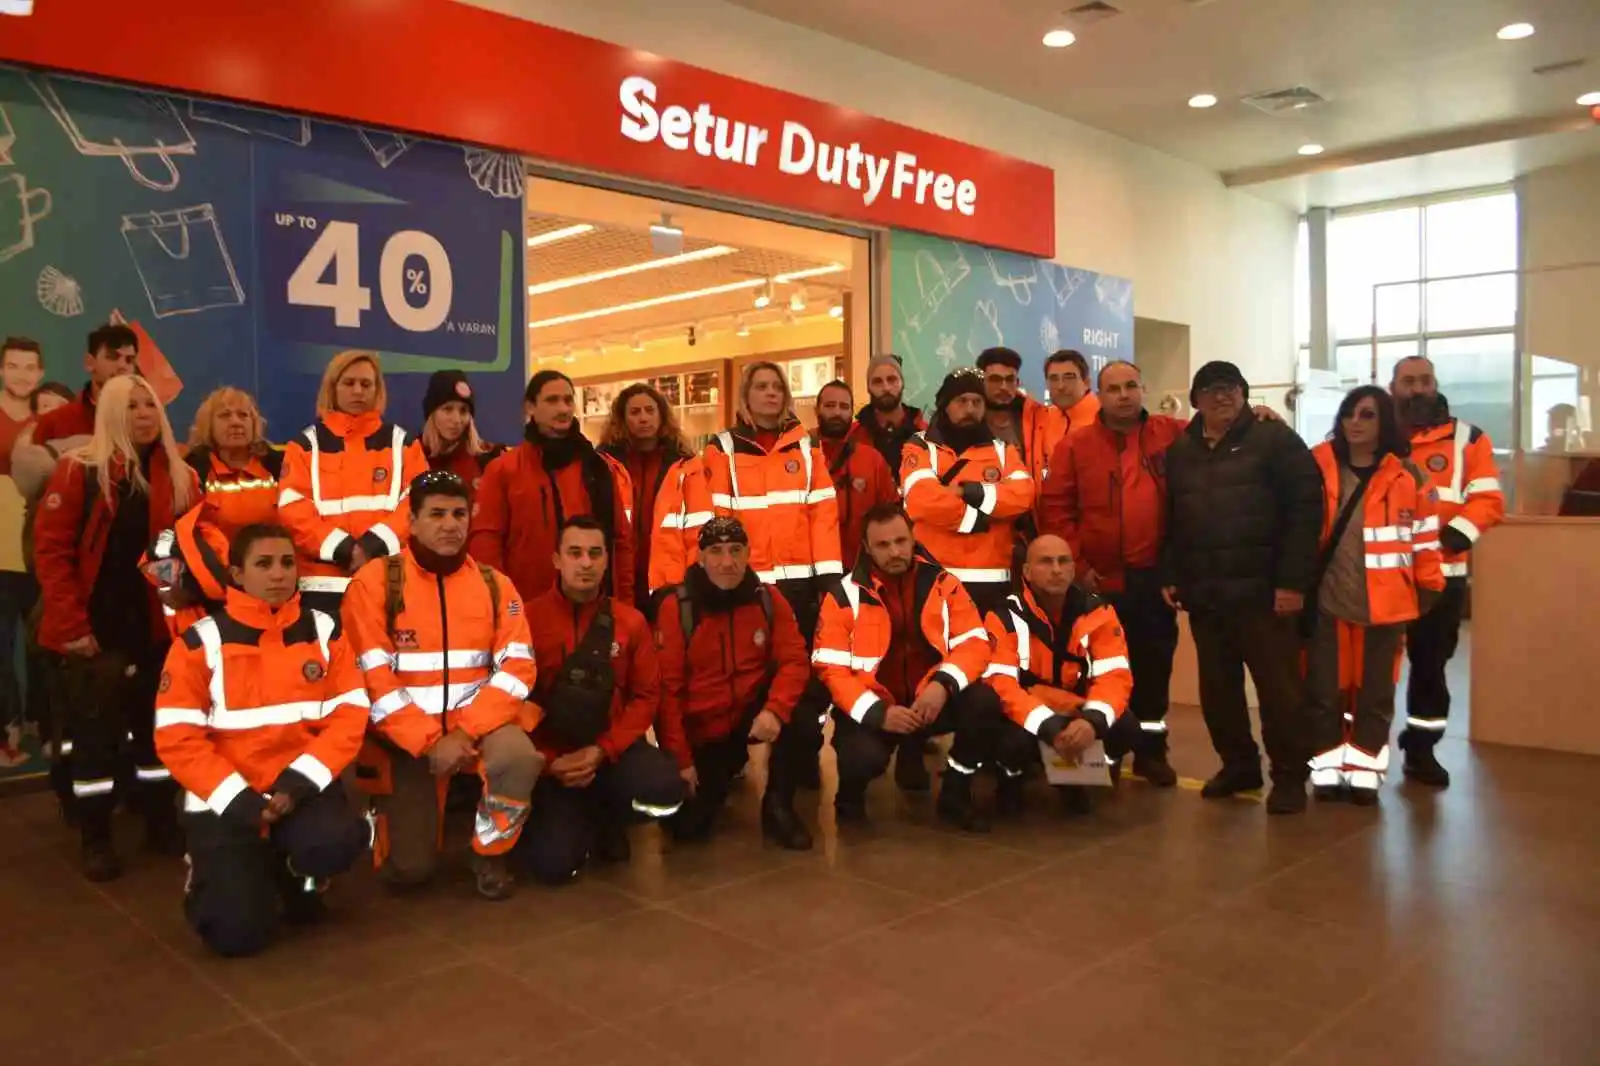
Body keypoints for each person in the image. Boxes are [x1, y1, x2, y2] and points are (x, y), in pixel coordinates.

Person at [153, 523, 370, 956]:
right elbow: (178, 739)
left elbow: (349, 716)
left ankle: (295, 875)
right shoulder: (199, 642)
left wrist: (295, 785)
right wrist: (242, 802)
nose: (278, 574)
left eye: (287, 562)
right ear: (236, 574)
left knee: (339, 838)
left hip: (298, 791)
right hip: (227, 799)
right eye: (263, 564)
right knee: (237, 937)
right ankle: (213, 869)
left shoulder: (324, 630)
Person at [343, 470, 542, 900]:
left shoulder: (494, 585)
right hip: (407, 740)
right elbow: (372, 680)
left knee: (519, 757)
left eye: (458, 514)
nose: (450, 524)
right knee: (409, 872)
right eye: (436, 514)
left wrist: (464, 732)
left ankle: (490, 853)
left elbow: (517, 669)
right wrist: (430, 742)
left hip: (475, 729)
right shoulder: (374, 583)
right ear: (411, 521)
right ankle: (383, 817)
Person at [32, 374, 198, 878]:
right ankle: (95, 834)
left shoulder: (179, 473)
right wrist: (72, 626)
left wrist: (182, 617)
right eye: (132, 406)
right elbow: (53, 555)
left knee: (159, 736)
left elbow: (181, 552)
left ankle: (158, 821)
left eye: (151, 405)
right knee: (95, 739)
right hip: (94, 632)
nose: (145, 414)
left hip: (156, 631)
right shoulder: (79, 470)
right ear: (109, 412)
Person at [1161, 360, 1322, 815]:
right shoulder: (1181, 451)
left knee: (1279, 693)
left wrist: (1292, 582)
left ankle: (1289, 776)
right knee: (1219, 692)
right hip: (1207, 597)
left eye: (1231, 388)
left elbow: (1306, 512)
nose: (1222, 396)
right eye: (1211, 390)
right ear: (1195, 400)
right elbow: (1171, 519)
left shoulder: (1276, 440)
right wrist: (1171, 574)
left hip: (1265, 597)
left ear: (1245, 395)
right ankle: (1239, 766)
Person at [515, 517, 685, 884]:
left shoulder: (631, 623)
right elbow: (512, 701)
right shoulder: (527, 621)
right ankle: (569, 818)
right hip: (552, 760)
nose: (586, 563)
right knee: (553, 867)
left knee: (665, 788)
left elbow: (645, 697)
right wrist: (547, 762)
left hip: (611, 752)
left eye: (594, 553)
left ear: (607, 560)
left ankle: (611, 815)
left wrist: (602, 750)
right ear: (556, 560)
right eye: (575, 553)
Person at [813, 503, 1003, 831]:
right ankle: (849, 798)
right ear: (867, 548)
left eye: (901, 541)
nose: (895, 551)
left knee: (984, 703)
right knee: (862, 757)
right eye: (884, 545)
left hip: (928, 701)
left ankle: (956, 794)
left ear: (913, 539)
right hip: (874, 706)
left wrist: (942, 685)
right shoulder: (843, 596)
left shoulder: (945, 584)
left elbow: (975, 643)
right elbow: (831, 669)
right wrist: (878, 713)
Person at [1039, 361, 1183, 786]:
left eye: (1131, 386)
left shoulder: (1172, 435)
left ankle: (1151, 752)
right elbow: (1057, 511)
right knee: (1099, 672)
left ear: (1144, 388)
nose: (1124, 395)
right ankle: (1107, 755)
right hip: (1098, 583)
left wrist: (1263, 415)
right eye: (1113, 388)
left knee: (1154, 670)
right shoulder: (1075, 446)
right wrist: (1079, 569)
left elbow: (1221, 432)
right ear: (1098, 394)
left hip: (1153, 579)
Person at [1306, 387, 1444, 806]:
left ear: (1384, 421)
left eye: (1366, 415)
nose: (1355, 423)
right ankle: (1327, 764)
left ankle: (1365, 765)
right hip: (1327, 603)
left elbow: (1425, 541)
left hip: (1385, 606)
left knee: (1375, 693)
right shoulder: (1317, 466)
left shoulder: (1410, 478)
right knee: (1324, 690)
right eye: (1349, 414)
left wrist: (1429, 589)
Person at [654, 517, 817, 849]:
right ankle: (721, 770)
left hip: (751, 713)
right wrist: (682, 761)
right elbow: (666, 695)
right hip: (704, 729)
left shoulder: (768, 600)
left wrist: (775, 710)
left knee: (803, 710)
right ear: (699, 557)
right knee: (688, 829)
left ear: (748, 554)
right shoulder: (677, 609)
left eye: (735, 550)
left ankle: (778, 806)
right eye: (715, 551)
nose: (727, 561)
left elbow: (794, 659)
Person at [1390, 356, 1505, 788]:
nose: (1417, 389)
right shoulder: (1372, 435)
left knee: (1431, 666)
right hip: (1380, 576)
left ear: (1435, 383)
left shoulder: (1468, 440)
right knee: (1363, 667)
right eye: (1408, 381)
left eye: (1424, 380)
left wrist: (1456, 534)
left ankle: (1421, 751)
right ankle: (1357, 750)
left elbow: (1489, 498)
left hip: (1443, 574)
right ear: (1392, 386)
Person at [985, 535, 1132, 816]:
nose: (1056, 569)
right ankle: (1010, 778)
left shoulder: (1098, 612)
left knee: (1126, 728)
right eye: (1046, 561)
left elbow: (1115, 676)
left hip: (1076, 711)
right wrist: (1049, 724)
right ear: (1027, 572)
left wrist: (1092, 721)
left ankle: (1076, 778)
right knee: (1010, 739)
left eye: (1064, 561)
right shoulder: (1003, 615)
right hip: (1027, 713)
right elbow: (1001, 686)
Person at [277, 350, 427, 613]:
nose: (358, 391)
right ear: (332, 388)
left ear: (377, 390)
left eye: (366, 384)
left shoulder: (403, 444)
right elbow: (293, 509)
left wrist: (372, 545)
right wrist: (344, 549)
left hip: (389, 583)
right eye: (349, 383)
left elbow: (419, 503)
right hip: (323, 588)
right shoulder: (304, 446)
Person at [471, 369, 636, 606]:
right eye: (552, 400)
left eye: (568, 400)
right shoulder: (503, 471)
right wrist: (500, 608)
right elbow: (486, 546)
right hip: (524, 611)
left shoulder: (597, 469)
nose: (563, 409)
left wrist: (623, 605)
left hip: (594, 611)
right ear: (530, 407)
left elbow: (620, 542)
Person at [701, 361, 842, 634]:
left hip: (802, 586)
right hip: (745, 582)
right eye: (762, 386)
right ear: (746, 395)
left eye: (778, 387)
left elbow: (823, 518)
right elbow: (717, 520)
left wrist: (829, 581)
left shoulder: (806, 447)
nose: (771, 393)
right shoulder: (722, 449)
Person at [901, 368, 1034, 614]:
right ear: (945, 405)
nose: (970, 408)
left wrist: (976, 493)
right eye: (962, 401)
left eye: (977, 402)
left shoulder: (1003, 451)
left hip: (993, 584)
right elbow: (922, 499)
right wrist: (979, 518)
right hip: (934, 578)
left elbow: (1023, 495)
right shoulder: (920, 447)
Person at [597, 382, 699, 609]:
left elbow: (697, 531)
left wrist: (695, 583)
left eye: (650, 411)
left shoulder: (685, 464)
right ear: (622, 420)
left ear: (662, 415)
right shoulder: (604, 464)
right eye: (635, 412)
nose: (643, 418)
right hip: (618, 578)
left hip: (671, 580)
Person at [11, 323, 139, 502]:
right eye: (112, 357)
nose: (122, 366)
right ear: (90, 363)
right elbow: (34, 494)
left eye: (129, 360)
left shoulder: (143, 422)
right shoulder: (54, 421)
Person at [814, 379, 898, 572]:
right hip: (810, 574)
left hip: (862, 571)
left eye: (844, 406)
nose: (837, 412)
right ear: (816, 410)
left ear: (852, 412)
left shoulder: (872, 460)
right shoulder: (800, 458)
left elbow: (891, 515)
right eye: (830, 405)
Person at [976, 346, 1063, 517]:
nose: (1003, 387)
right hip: (981, 520)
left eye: (1010, 380)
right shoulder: (964, 420)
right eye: (995, 379)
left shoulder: (1039, 417)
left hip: (1029, 519)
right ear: (981, 380)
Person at [186, 387, 282, 539]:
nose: (236, 422)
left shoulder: (280, 467)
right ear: (208, 425)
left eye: (243, 415)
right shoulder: (192, 473)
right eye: (225, 415)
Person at [419, 369, 504, 504]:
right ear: (432, 413)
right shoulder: (411, 456)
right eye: (447, 409)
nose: (457, 420)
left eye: (463, 411)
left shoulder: (488, 458)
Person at [847, 354, 927, 481]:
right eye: (877, 382)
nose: (886, 388)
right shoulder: (852, 437)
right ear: (868, 388)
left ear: (902, 383)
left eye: (892, 379)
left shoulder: (926, 435)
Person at [0, 336, 44, 476]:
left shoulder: (47, 419)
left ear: (40, 374)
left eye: (30, 368)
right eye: (13, 367)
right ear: (1, 371)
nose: (21, 376)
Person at [1044, 349, 1101, 435]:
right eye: (1054, 379)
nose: (1061, 386)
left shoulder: (1107, 420)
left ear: (1086, 383)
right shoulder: (1044, 419)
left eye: (1069, 378)